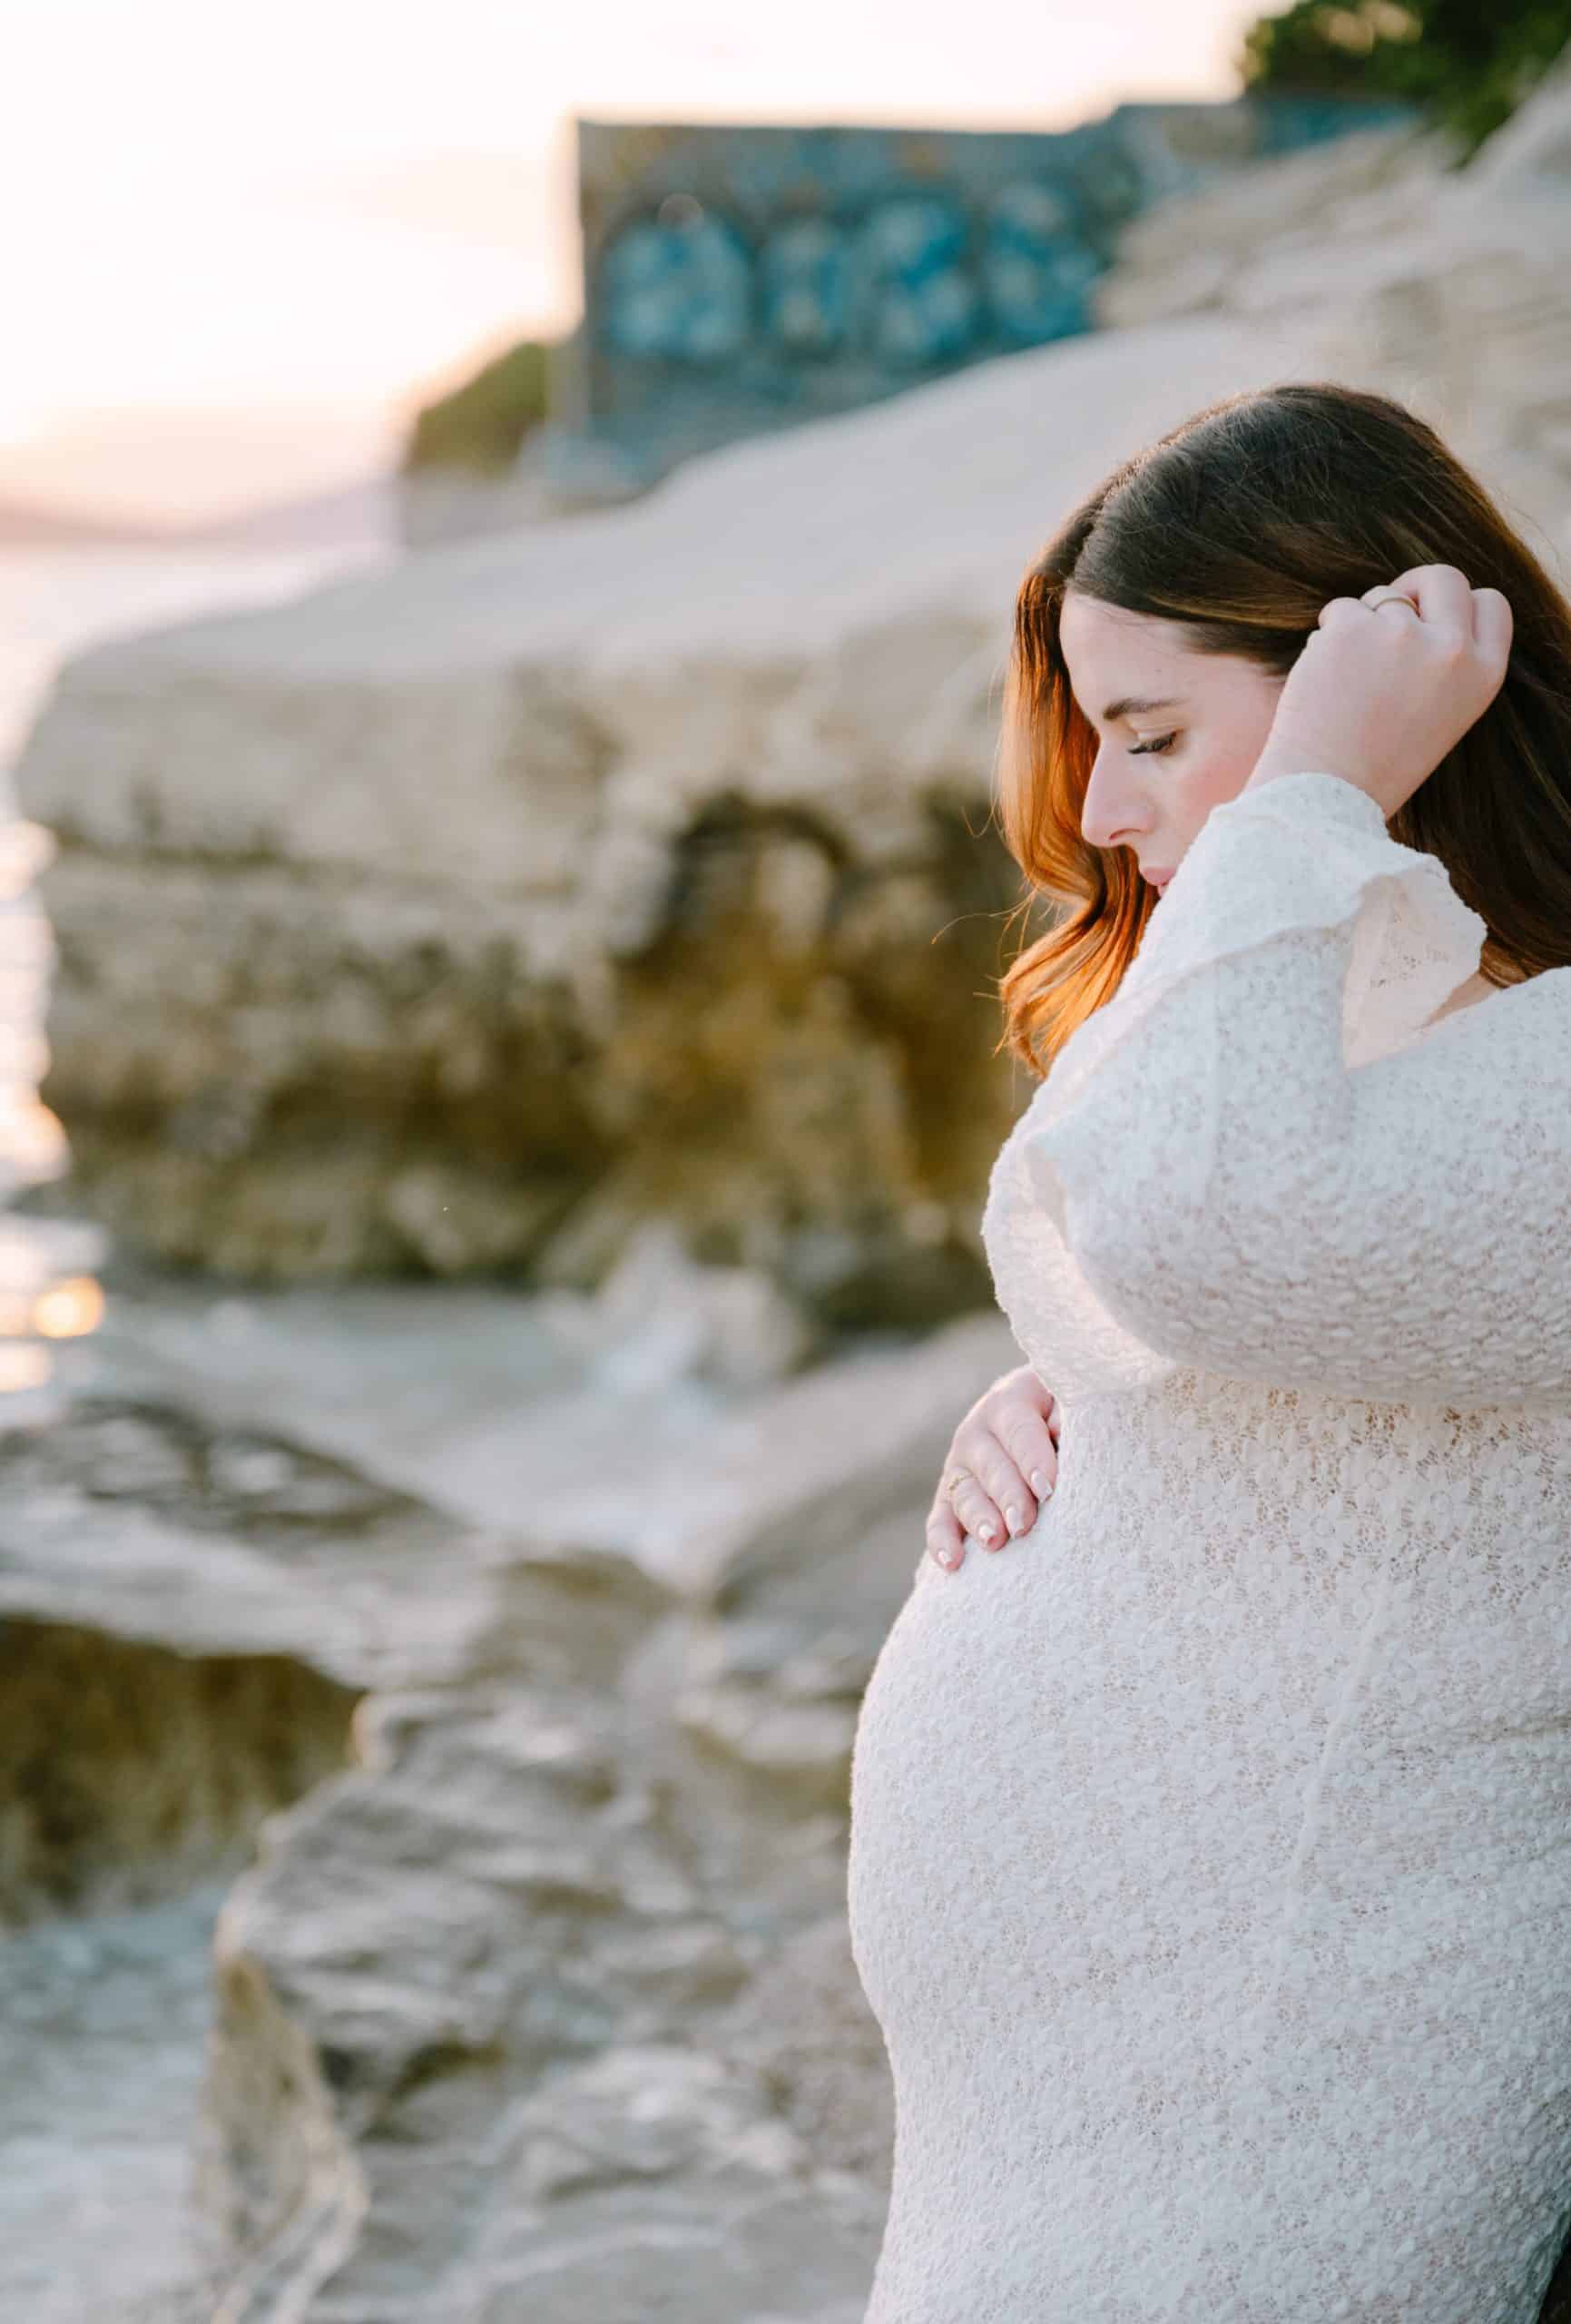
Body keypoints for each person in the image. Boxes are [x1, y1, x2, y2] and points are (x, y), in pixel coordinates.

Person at [844, 379, 1571, 2321]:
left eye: (1155, 735)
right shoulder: (1415, 1024)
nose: (1096, 811)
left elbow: (1196, 1221)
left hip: (1283, 2096)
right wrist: (1081, 1401)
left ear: (1383, 679)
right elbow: (1211, 1261)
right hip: (1093, 2113)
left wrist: (1318, 789)